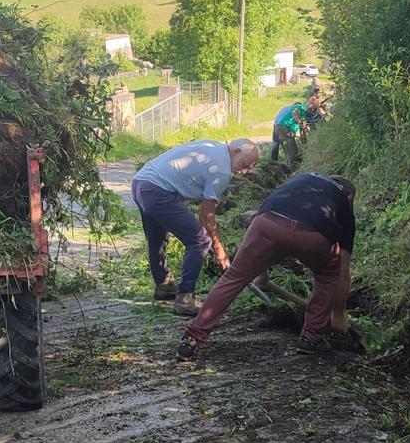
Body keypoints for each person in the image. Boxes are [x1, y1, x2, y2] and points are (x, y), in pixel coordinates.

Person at [177, 173, 355, 359]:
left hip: (267, 225)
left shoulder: (300, 181)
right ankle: (311, 336)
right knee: (329, 275)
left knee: (233, 278)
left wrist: (260, 274)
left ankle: (192, 338)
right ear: (348, 196)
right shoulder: (343, 202)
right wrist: (338, 313)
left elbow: (259, 221)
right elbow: (343, 271)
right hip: (312, 236)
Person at [131, 138, 260, 316]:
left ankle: (164, 286)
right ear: (236, 151)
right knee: (199, 241)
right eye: (245, 164)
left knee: (157, 238)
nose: (244, 171)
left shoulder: (213, 146)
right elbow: (206, 217)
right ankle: (185, 299)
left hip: (140, 184)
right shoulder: (221, 170)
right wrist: (219, 250)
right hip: (157, 191)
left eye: (249, 168)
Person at [270, 101, 306, 170]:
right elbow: (295, 113)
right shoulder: (299, 108)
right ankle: (293, 169)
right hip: (284, 127)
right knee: (292, 150)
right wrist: (300, 122)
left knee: (280, 147)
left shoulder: (286, 109)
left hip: (276, 126)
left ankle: (273, 164)